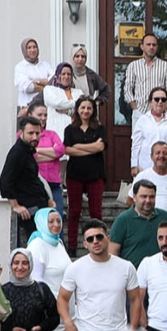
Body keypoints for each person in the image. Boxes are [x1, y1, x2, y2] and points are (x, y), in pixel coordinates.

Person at [58, 219, 142, 331]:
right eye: (90, 239)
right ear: (85, 244)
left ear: (107, 239)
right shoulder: (75, 268)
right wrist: (68, 322)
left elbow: (135, 300)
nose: (95, 241)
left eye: (99, 237)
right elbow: (62, 298)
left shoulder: (126, 267)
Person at [0, 248, 58, 331]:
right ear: (10, 265)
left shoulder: (42, 289)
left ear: (30, 265)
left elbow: (55, 317)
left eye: (25, 263)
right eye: (16, 263)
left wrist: (40, 328)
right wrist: (11, 330)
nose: (20, 267)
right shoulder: (2, 291)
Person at [62, 95, 106, 249]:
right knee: (74, 211)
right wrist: (91, 147)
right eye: (83, 107)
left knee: (96, 212)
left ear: (93, 110)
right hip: (75, 174)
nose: (86, 111)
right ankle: (72, 246)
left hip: (95, 174)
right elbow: (67, 149)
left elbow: (100, 148)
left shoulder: (100, 128)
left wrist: (78, 146)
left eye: (89, 108)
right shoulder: (70, 129)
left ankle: (99, 244)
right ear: (78, 110)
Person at [0, 114, 50, 249]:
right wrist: (16, 206)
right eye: (30, 133)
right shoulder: (17, 153)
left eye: (37, 133)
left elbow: (33, 178)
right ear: (21, 133)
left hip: (39, 206)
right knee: (36, 246)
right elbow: (5, 181)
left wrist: (48, 199)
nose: (34, 137)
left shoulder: (27, 151)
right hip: (29, 210)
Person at [123, 32, 167, 131]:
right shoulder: (133, 66)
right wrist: (135, 108)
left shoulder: (165, 66)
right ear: (142, 46)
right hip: (140, 113)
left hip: (160, 114)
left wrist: (163, 107)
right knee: (139, 144)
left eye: (154, 45)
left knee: (159, 143)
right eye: (148, 44)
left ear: (157, 47)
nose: (151, 47)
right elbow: (127, 89)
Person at [108, 180, 167, 266]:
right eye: (144, 196)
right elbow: (113, 253)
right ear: (134, 197)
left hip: (160, 273)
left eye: (151, 197)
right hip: (133, 275)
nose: (148, 200)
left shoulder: (164, 217)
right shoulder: (123, 220)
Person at [130, 85, 167, 184]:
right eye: (156, 99)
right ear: (150, 102)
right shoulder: (143, 120)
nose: (160, 102)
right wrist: (134, 164)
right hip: (146, 167)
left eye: (163, 99)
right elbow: (136, 144)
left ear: (166, 103)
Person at [123, 141, 167, 219]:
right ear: (151, 156)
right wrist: (143, 216)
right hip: (148, 224)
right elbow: (130, 200)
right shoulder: (142, 176)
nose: (161, 156)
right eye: (158, 153)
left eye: (165, 153)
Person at [31, 96, 68, 225]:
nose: (43, 118)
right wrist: (51, 154)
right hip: (35, 184)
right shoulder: (23, 135)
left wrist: (38, 150)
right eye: (39, 115)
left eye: (45, 115)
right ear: (30, 115)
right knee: (39, 220)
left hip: (53, 183)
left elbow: (60, 151)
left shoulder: (51, 134)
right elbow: (29, 156)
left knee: (57, 218)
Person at [25, 207, 71, 298]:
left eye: (59, 221)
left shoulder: (59, 243)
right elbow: (35, 281)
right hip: (50, 305)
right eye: (51, 221)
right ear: (42, 223)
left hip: (65, 303)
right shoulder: (37, 245)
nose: (56, 225)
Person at [13, 38, 51, 118]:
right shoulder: (20, 67)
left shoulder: (45, 65)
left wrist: (35, 81)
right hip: (27, 110)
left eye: (34, 47)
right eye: (29, 48)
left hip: (44, 109)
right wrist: (45, 86)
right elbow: (27, 87)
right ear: (24, 50)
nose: (33, 50)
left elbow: (53, 82)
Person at [67, 44, 111, 109]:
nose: (80, 59)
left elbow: (106, 89)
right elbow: (51, 89)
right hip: (70, 113)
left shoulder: (91, 74)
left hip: (87, 113)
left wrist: (97, 102)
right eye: (77, 56)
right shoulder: (65, 73)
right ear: (72, 57)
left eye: (83, 56)